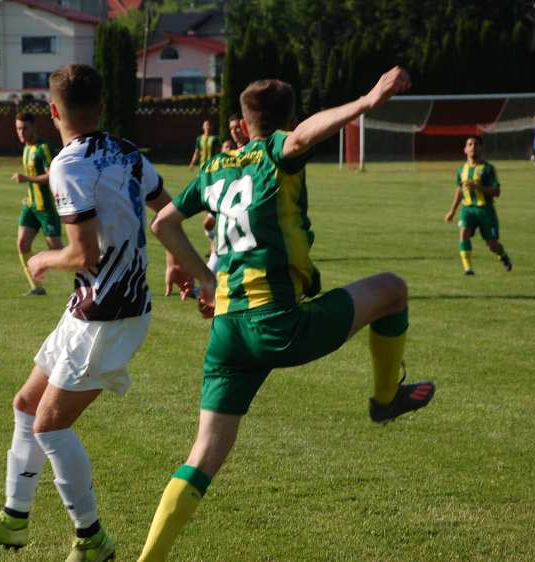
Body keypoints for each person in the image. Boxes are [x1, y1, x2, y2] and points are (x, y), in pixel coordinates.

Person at [138, 67, 436, 561]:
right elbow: (299, 138)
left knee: (204, 453)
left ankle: (148, 560)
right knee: (393, 290)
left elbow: (163, 223)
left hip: (227, 333)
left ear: (244, 120)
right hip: (276, 324)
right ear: (284, 120)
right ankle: (386, 399)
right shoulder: (277, 152)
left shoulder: (216, 168)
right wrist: (365, 100)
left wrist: (202, 277)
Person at [0, 64, 188, 562]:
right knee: (26, 405)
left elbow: (84, 254)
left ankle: (92, 539)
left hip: (109, 312)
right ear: (101, 107)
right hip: (91, 307)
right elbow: (166, 210)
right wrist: (174, 258)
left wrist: (41, 257)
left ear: (54, 111)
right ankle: (14, 519)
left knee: (51, 427)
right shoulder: (127, 152)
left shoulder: (67, 164)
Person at [444, 136, 513, 275]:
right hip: (467, 209)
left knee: (492, 245)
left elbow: (497, 192)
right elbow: (459, 190)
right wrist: (452, 211)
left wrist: (479, 187)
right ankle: (467, 268)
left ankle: (503, 255)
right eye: (469, 144)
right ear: (465, 149)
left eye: (476, 144)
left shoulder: (488, 169)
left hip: (485, 210)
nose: (473, 147)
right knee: (463, 232)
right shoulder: (461, 169)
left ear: (481, 148)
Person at [13, 112, 63, 296]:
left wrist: (26, 178)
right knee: (22, 243)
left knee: (57, 250)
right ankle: (36, 287)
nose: (21, 132)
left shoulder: (44, 148)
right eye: (18, 128)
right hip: (31, 206)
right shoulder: (27, 148)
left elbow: (52, 175)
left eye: (25, 128)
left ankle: (92, 279)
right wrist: (29, 195)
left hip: (46, 207)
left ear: (34, 127)